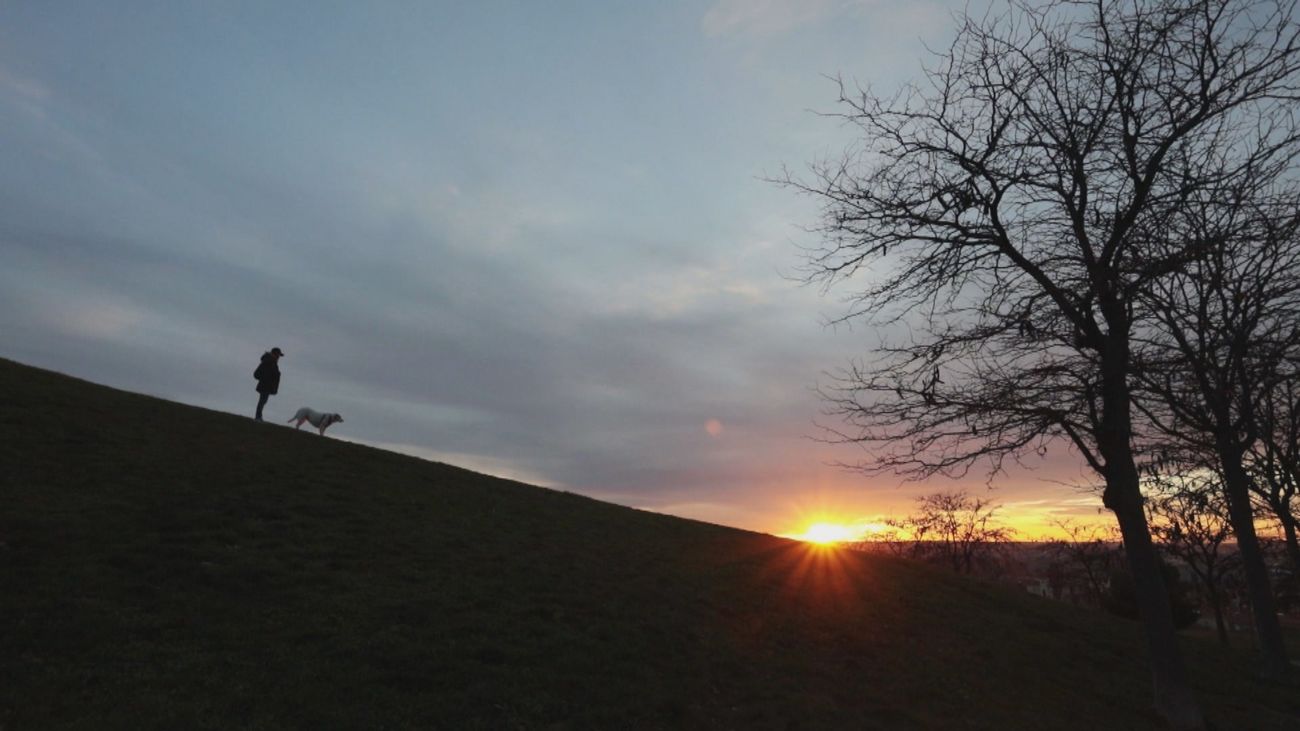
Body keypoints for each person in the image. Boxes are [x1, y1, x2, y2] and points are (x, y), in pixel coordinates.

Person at [253, 347, 284, 421]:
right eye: (278, 354)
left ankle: (259, 417)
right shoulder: (268, 361)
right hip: (265, 386)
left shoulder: (272, 362)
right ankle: (258, 417)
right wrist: (265, 379)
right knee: (262, 401)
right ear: (274, 354)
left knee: (263, 401)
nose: (279, 357)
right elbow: (257, 374)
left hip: (267, 386)